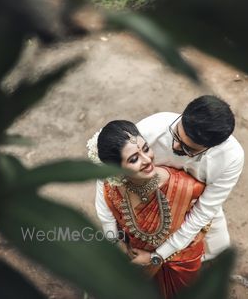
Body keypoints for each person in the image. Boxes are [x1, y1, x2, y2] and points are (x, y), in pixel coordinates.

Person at [95, 95, 244, 264]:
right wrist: (112, 237)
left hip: (196, 203)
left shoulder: (230, 159)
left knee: (215, 249)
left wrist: (157, 257)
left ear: (210, 148)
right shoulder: (153, 127)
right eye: (176, 135)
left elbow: (204, 211)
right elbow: (105, 175)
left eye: (188, 148)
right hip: (146, 196)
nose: (175, 147)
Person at [88, 120, 207, 299]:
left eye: (145, 149)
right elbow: (107, 219)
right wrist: (118, 245)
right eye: (134, 159)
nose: (147, 160)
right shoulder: (110, 187)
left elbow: (198, 226)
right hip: (132, 258)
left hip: (177, 261)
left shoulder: (184, 187)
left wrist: (155, 258)